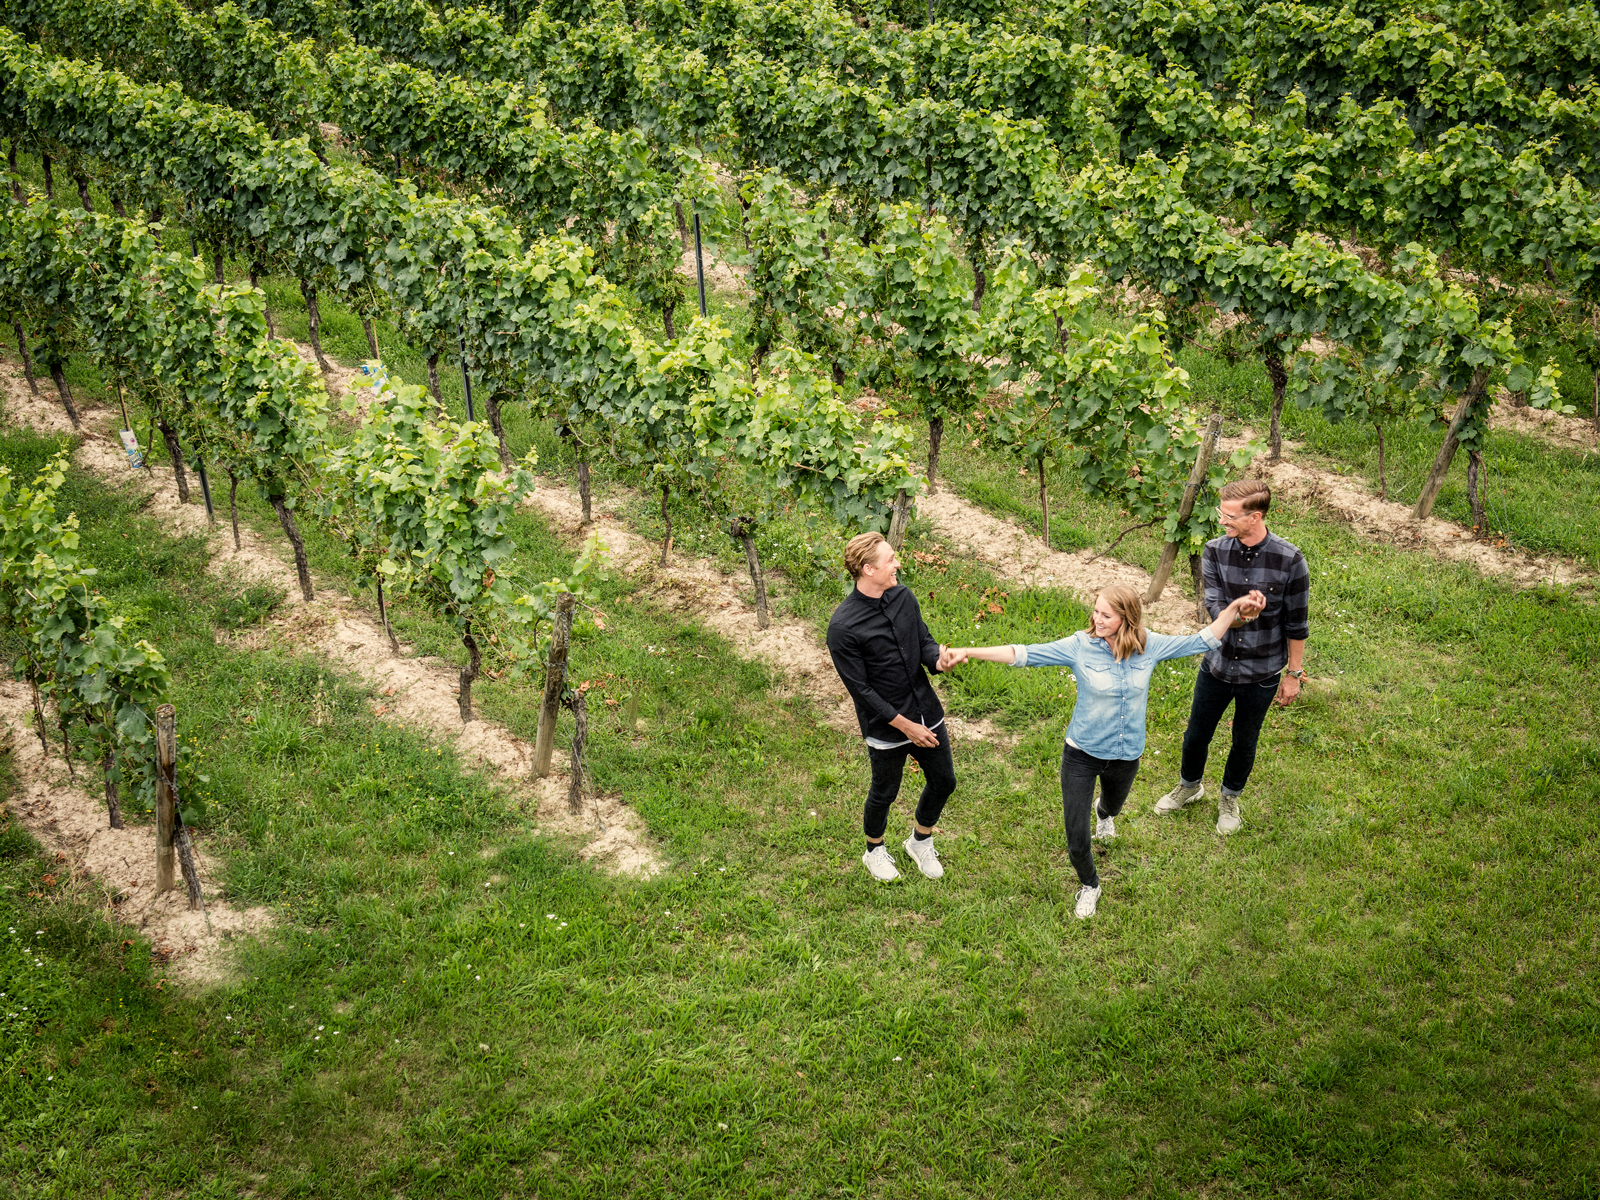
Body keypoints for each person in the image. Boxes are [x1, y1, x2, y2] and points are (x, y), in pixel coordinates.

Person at [941, 583, 1264, 919]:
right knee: (1076, 833)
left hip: (1127, 754)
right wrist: (969, 651)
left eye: (1106, 615)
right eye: (1095, 611)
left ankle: (1105, 815)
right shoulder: (1080, 646)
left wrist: (1233, 609)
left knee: (1112, 805)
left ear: (1127, 618)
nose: (1097, 620)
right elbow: (1023, 653)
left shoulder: (1149, 646)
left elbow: (1203, 640)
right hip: (1082, 752)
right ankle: (1090, 884)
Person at [1151, 479, 1310, 834]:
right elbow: (1214, 608)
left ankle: (1229, 797)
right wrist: (1240, 613)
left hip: (1263, 671)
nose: (1223, 520)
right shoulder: (1214, 551)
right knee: (1196, 734)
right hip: (1217, 664)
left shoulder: (1291, 560)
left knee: (1244, 740)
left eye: (1230, 515)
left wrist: (1293, 674)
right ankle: (1190, 786)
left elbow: (1296, 624)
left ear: (1255, 516)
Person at [826, 532, 955, 883]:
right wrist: (905, 726)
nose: (898, 563)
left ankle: (920, 841)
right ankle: (874, 850)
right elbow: (861, 691)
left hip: (925, 711)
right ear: (868, 569)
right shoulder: (843, 627)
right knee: (885, 791)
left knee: (944, 781)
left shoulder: (903, 597)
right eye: (891, 560)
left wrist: (939, 661)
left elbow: (924, 641)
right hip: (886, 724)